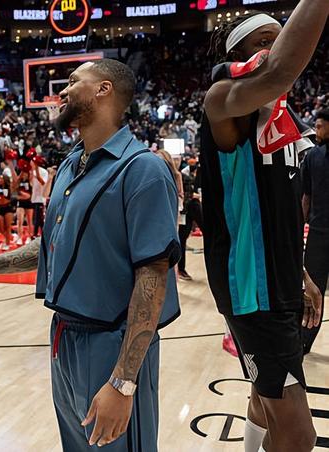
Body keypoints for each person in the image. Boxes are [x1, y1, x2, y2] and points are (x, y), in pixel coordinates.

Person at [0, 59, 181, 450]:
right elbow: (50, 243)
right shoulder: (72, 165)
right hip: (64, 336)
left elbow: (153, 276)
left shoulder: (142, 169)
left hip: (112, 343)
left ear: (103, 89)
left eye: (73, 81)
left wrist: (123, 382)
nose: (62, 90)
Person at [201, 5, 327, 452]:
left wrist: (300, 273)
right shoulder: (222, 99)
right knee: (298, 436)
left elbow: (281, 214)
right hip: (252, 290)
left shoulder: (283, 120)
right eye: (263, 41)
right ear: (237, 56)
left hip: (278, 283)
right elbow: (278, 71)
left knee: (265, 392)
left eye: (280, 36)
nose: (276, 46)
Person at [300, 108, 329, 354]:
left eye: (319, 126)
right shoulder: (313, 156)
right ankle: (304, 340)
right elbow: (306, 196)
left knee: (314, 289)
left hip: (319, 233)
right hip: (319, 232)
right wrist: (299, 227)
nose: (316, 130)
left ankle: (303, 342)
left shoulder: (312, 156)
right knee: (312, 290)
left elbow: (305, 199)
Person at [177, 161, 203, 281]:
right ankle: (180, 269)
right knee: (181, 239)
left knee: (182, 239)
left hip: (186, 210)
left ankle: (180, 269)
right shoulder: (180, 175)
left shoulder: (182, 175)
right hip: (186, 209)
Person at [30, 159, 49, 238]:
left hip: (41, 198)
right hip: (34, 198)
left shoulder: (44, 172)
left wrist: (37, 172)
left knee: (38, 218)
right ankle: (43, 234)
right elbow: (31, 184)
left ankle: (35, 234)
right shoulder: (32, 172)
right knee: (39, 219)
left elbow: (43, 182)